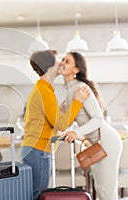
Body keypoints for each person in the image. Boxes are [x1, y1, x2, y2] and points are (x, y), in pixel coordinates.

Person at [20, 50, 90, 200]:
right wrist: (78, 101)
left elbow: (51, 120)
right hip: (38, 150)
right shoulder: (45, 91)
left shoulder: (43, 89)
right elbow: (61, 125)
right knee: (38, 194)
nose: (61, 63)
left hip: (35, 149)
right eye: (58, 61)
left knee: (35, 193)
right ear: (50, 67)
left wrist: (61, 109)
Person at [60, 52, 122, 200]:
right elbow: (68, 120)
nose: (62, 63)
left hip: (107, 141)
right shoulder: (70, 89)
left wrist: (76, 132)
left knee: (107, 192)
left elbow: (98, 119)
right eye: (62, 59)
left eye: (67, 61)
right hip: (97, 144)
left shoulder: (81, 87)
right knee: (100, 189)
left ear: (76, 69)